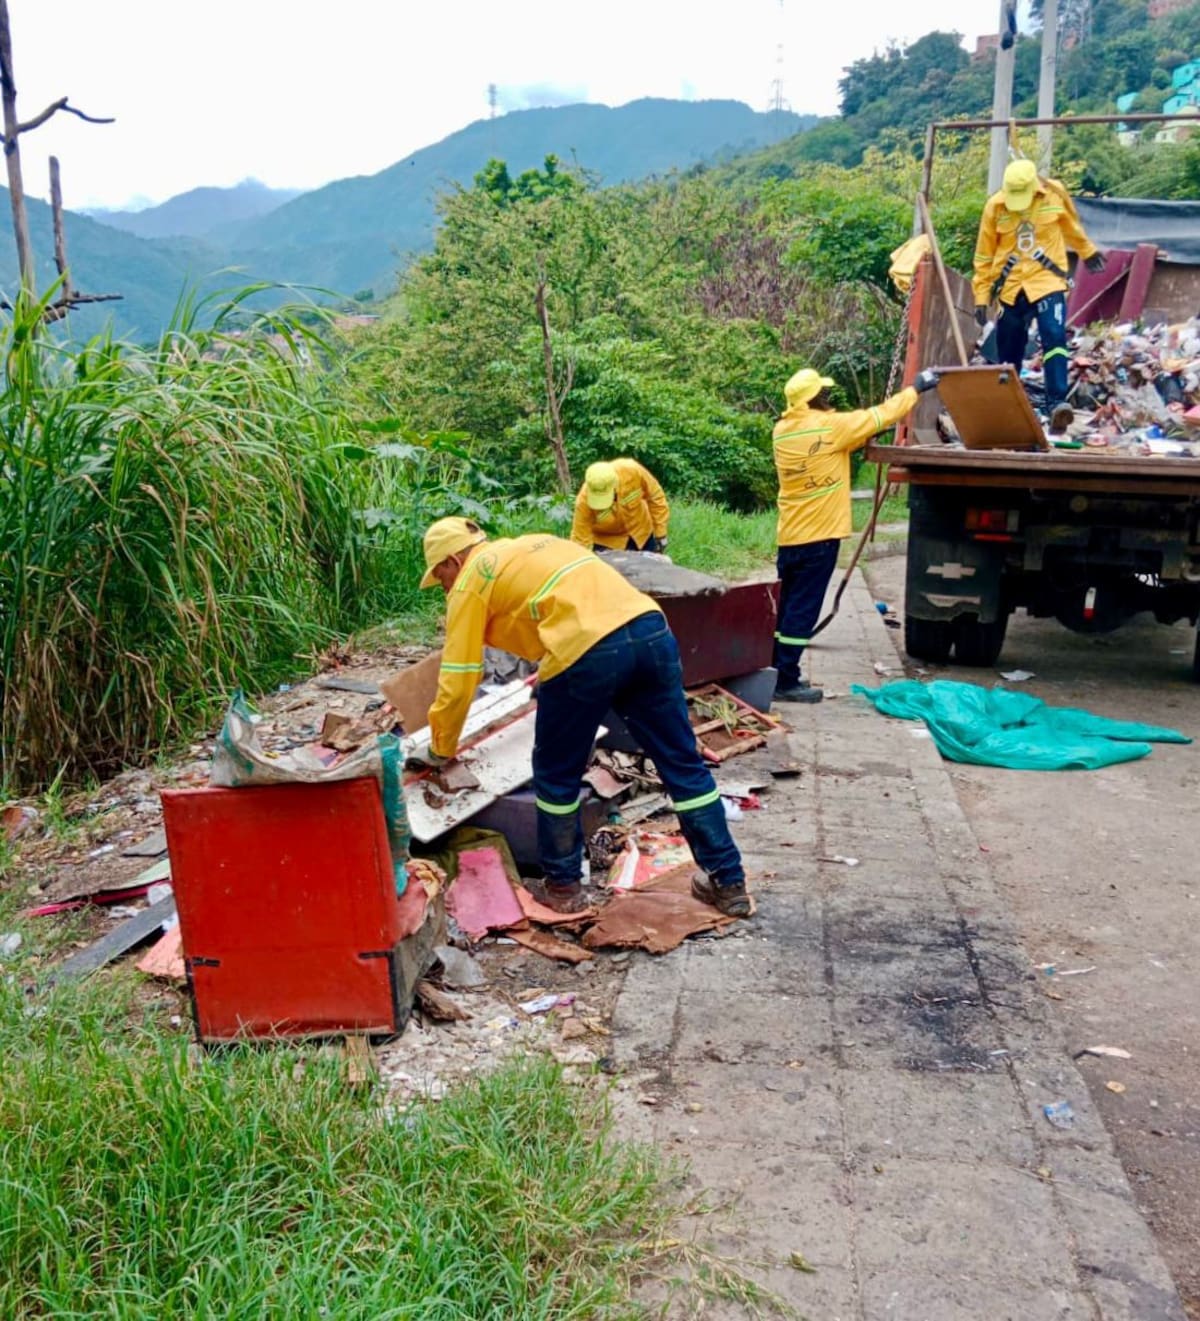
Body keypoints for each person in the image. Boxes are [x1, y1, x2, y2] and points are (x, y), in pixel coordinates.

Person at [417, 517, 748, 915]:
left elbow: (460, 676)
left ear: (454, 559)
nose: (445, 588)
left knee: (557, 774)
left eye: (441, 577)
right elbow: (571, 609)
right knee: (681, 763)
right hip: (650, 631)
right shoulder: (534, 544)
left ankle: (563, 888)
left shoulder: (471, 580)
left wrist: (441, 748)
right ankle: (728, 882)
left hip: (586, 652)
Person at [771, 367, 940, 703]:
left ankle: (773, 669)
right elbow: (879, 415)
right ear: (814, 399)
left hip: (790, 536)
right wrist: (916, 389)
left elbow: (827, 445)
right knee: (802, 612)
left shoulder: (782, 431)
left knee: (786, 609)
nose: (828, 398)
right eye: (823, 394)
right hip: (819, 539)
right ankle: (785, 680)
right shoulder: (832, 428)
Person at [973, 158, 1105, 430]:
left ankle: (1057, 403)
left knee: (1054, 335)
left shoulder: (1052, 196)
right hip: (1011, 286)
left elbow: (1072, 226)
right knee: (1009, 347)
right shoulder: (995, 207)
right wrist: (981, 295)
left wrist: (1087, 251)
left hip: (1047, 280)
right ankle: (1010, 405)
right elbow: (984, 255)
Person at [571, 458, 670, 553]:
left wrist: (660, 534)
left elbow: (655, 497)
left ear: (614, 485)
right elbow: (580, 539)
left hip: (641, 533)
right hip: (608, 543)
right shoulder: (583, 502)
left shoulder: (633, 471)